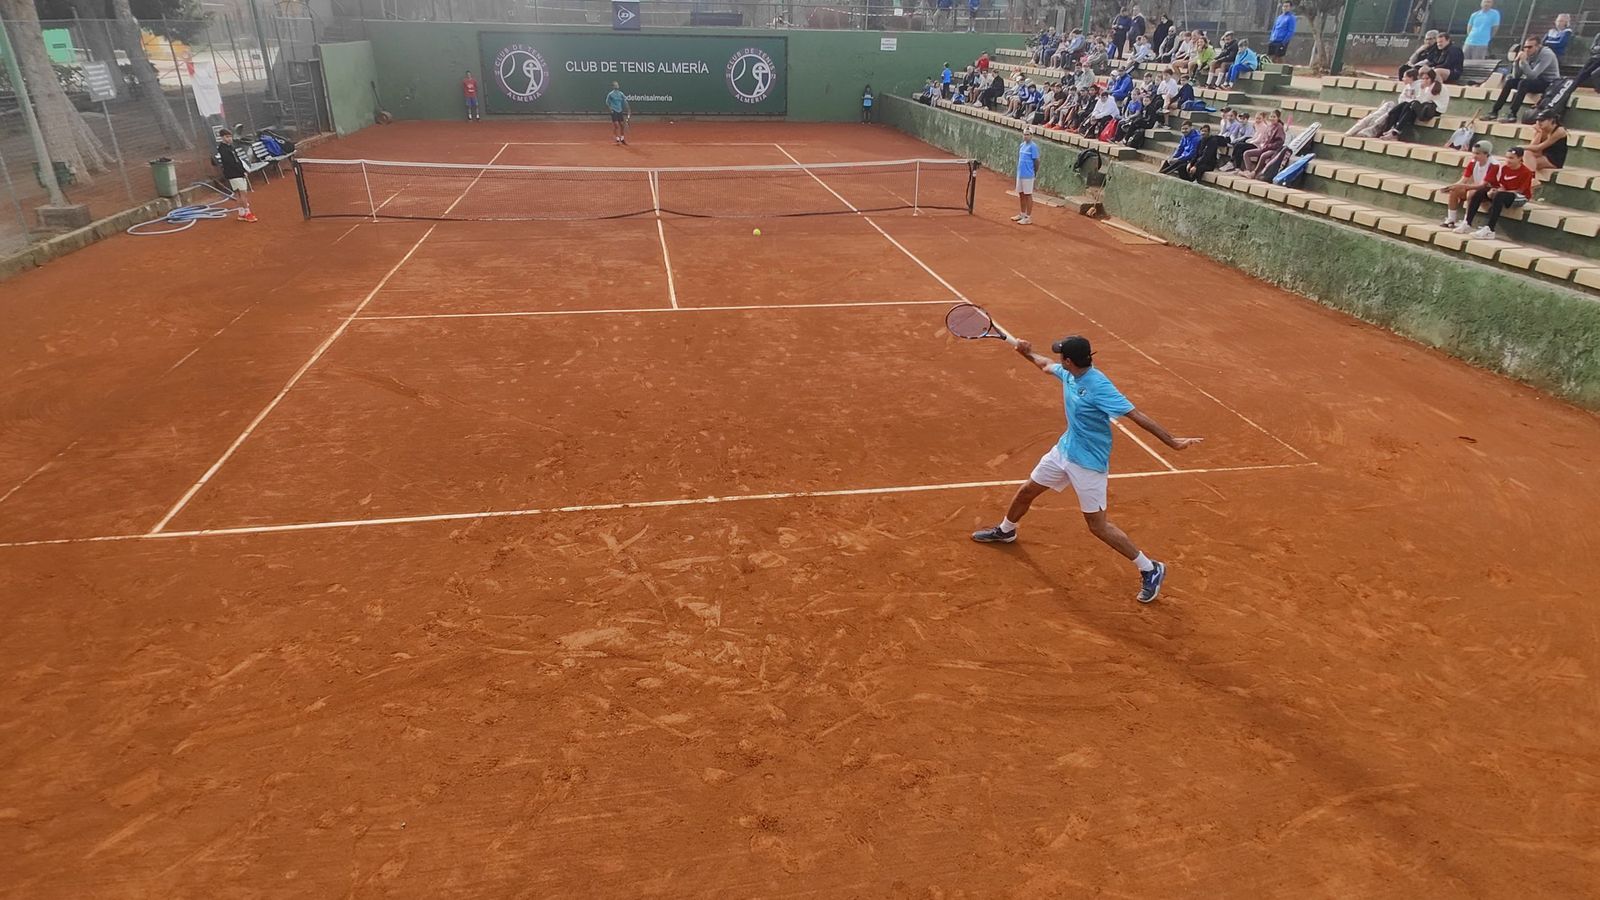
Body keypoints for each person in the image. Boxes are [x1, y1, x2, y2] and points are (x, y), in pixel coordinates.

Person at [970, 335, 1201, 604]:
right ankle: (1006, 530)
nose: (1057, 358)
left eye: (1061, 356)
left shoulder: (1099, 386)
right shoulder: (1069, 373)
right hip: (1064, 451)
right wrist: (1026, 353)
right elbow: (1045, 365)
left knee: (1098, 526)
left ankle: (1150, 568)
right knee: (1027, 491)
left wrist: (1171, 441)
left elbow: (1136, 415)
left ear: (1069, 361)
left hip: (1089, 463)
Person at [1459, 145, 1535, 238]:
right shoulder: (1504, 168)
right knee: (1480, 191)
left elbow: (1520, 191)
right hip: (1505, 193)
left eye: (1511, 158)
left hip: (1520, 197)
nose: (1508, 160)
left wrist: (1499, 192)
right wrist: (1493, 191)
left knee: (1499, 196)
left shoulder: (1526, 172)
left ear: (1520, 158)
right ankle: (1467, 222)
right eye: (1507, 157)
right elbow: (1501, 185)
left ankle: (1490, 229)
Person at [1489, 36, 1560, 122]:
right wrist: (1517, 62)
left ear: (1538, 46)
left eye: (1530, 47)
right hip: (1535, 81)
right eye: (1525, 47)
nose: (1527, 49)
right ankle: (1494, 112)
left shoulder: (1547, 55)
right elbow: (1516, 76)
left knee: (1523, 83)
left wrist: (1524, 61)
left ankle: (1512, 114)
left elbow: (1533, 75)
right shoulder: (1528, 54)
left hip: (1549, 83)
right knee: (1510, 82)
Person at [1439, 140, 1498, 229]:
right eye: (1473, 153)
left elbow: (1482, 185)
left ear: (1486, 154)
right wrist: (1452, 186)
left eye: (1477, 153)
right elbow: (1464, 179)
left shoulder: (1494, 165)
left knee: (1471, 192)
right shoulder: (1473, 162)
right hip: (1477, 187)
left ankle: (1466, 221)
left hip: (1489, 191)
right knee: (1454, 190)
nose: (1474, 156)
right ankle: (1451, 219)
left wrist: (1462, 186)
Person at [1380, 67, 1449, 139]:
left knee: (1411, 105)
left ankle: (1395, 131)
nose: (1425, 81)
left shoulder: (1438, 87)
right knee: (1405, 106)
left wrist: (1422, 89)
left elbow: (1422, 100)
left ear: (1432, 78)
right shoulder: (1427, 87)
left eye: (1427, 78)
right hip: (1425, 108)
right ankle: (1394, 130)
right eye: (1423, 79)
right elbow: (1419, 100)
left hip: (1434, 111)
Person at [215, 129, 257, 223]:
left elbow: (237, 160)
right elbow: (231, 163)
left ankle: (241, 213)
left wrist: (243, 169)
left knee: (239, 194)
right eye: (227, 137)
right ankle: (247, 213)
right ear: (222, 138)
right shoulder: (223, 149)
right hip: (234, 174)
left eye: (230, 136)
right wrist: (242, 171)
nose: (229, 139)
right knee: (242, 194)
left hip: (237, 173)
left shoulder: (230, 147)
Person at [1241, 109, 1286, 177]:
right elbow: (1264, 139)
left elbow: (1280, 142)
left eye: (1274, 117)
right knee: (1246, 153)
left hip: (1273, 150)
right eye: (1271, 117)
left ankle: (1255, 172)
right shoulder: (1269, 126)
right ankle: (1249, 170)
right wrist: (1262, 145)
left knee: (1263, 155)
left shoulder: (1279, 127)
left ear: (1278, 118)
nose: (1272, 118)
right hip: (1264, 147)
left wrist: (1268, 146)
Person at [1013, 130, 1040, 225]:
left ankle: (1028, 217)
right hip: (1020, 174)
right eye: (1024, 134)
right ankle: (1022, 214)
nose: (1025, 136)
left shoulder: (1033, 147)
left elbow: (1037, 161)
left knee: (1028, 195)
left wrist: (1034, 172)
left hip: (1028, 175)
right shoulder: (1022, 145)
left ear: (1031, 136)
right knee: (1021, 194)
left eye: (1028, 135)